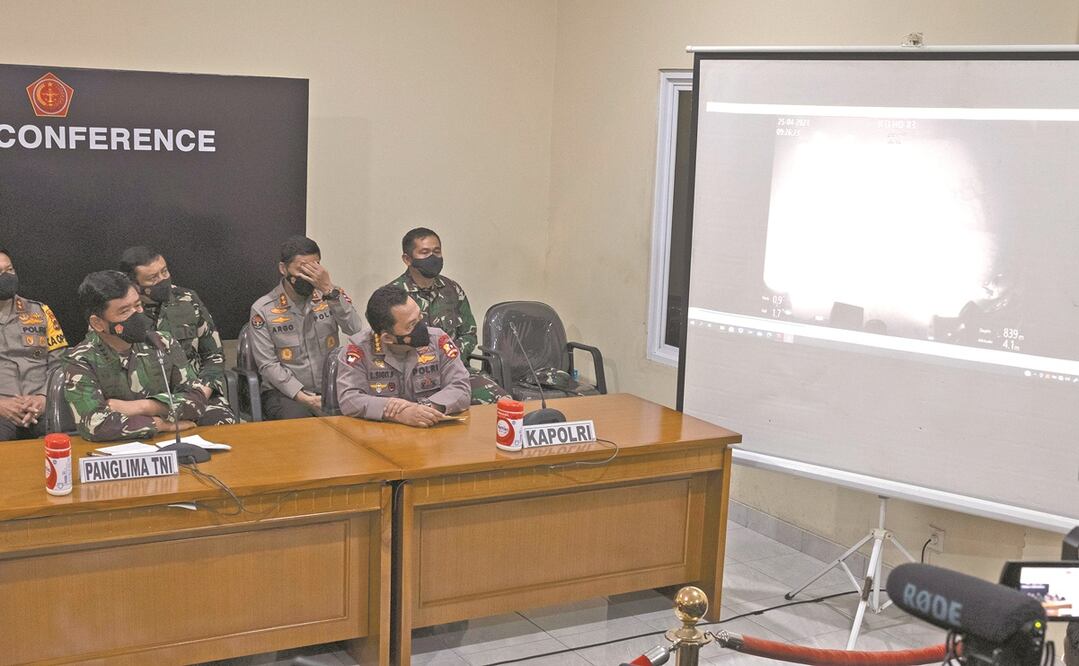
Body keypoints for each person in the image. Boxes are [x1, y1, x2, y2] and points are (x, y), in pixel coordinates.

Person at [62, 270, 236, 442]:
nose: (137, 315)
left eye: (137, 305)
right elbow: (96, 425)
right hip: (119, 453)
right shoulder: (80, 360)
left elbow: (196, 400)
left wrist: (143, 406)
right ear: (98, 323)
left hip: (171, 446)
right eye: (124, 311)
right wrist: (162, 425)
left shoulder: (162, 342)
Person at [390, 227, 509, 404]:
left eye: (436, 252)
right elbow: (388, 343)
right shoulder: (394, 296)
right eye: (424, 252)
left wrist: (450, 359)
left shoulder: (452, 289)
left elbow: (469, 334)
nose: (433, 257)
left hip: (455, 370)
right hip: (412, 376)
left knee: (503, 401)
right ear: (407, 259)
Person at [250, 235, 362, 420]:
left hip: (331, 387)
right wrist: (304, 397)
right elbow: (268, 364)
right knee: (300, 423)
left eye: (315, 267)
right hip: (286, 394)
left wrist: (329, 292)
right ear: (283, 269)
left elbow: (355, 329)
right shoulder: (263, 309)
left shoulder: (332, 295)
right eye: (303, 269)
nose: (309, 276)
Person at [119, 246, 232, 415]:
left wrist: (202, 392)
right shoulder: (121, 313)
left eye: (164, 272)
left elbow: (213, 356)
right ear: (135, 285)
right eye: (153, 278)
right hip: (144, 402)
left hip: (196, 394)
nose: (163, 280)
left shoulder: (187, 299)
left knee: (223, 427)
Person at [336, 284, 469, 426]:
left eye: (420, 316)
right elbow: (349, 399)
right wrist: (396, 412)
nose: (422, 327)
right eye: (411, 324)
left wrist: (425, 409)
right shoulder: (359, 349)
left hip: (431, 431)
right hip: (382, 434)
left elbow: (461, 387)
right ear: (387, 338)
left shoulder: (438, 340)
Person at [0, 246, 68, 440]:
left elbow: (61, 363)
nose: (6, 276)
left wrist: (44, 397)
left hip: (41, 407)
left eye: (10, 270)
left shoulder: (41, 312)